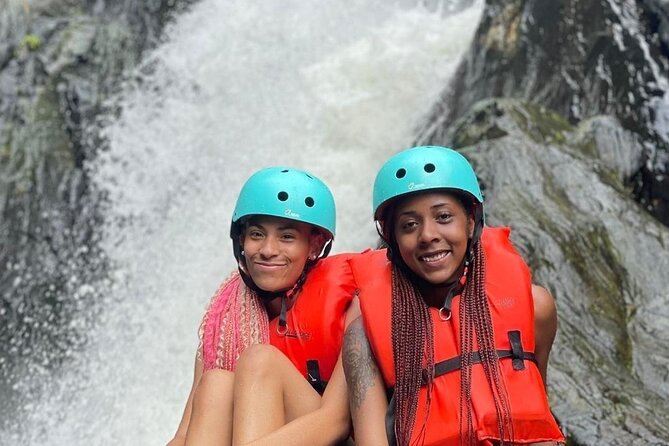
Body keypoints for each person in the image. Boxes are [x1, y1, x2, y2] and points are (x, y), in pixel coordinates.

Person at [342, 146, 565, 445]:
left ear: (471, 221)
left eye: (444, 217)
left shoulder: (536, 307)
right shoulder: (364, 333)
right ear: (391, 239)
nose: (427, 235)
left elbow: (538, 405)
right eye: (409, 225)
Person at [168, 167, 358, 446]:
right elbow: (183, 436)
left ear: (315, 245)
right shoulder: (223, 322)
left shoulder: (351, 305)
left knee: (260, 361)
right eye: (257, 234)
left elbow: (336, 422)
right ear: (241, 241)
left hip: (330, 438)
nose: (268, 250)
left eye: (287, 237)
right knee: (215, 385)